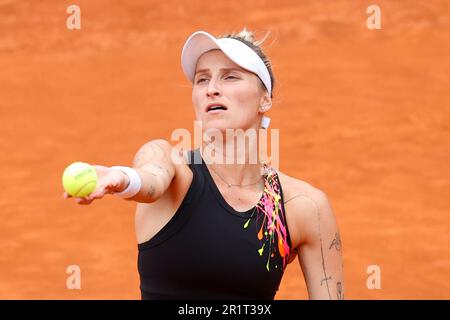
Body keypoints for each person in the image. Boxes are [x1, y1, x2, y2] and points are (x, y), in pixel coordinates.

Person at [63, 29, 344, 300]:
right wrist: (124, 179)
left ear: (265, 99)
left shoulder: (304, 207)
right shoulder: (173, 168)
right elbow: (151, 178)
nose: (212, 89)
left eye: (230, 77)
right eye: (201, 79)